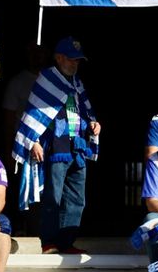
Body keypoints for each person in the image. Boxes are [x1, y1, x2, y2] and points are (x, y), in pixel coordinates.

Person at [11, 36, 99, 256]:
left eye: (77, 60)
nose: (75, 64)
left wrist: (93, 124)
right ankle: (49, 241)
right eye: (71, 59)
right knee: (53, 196)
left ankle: (67, 241)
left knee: (77, 198)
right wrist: (34, 141)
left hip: (77, 146)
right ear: (59, 58)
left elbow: (84, 111)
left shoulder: (77, 82)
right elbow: (34, 114)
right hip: (56, 148)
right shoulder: (47, 79)